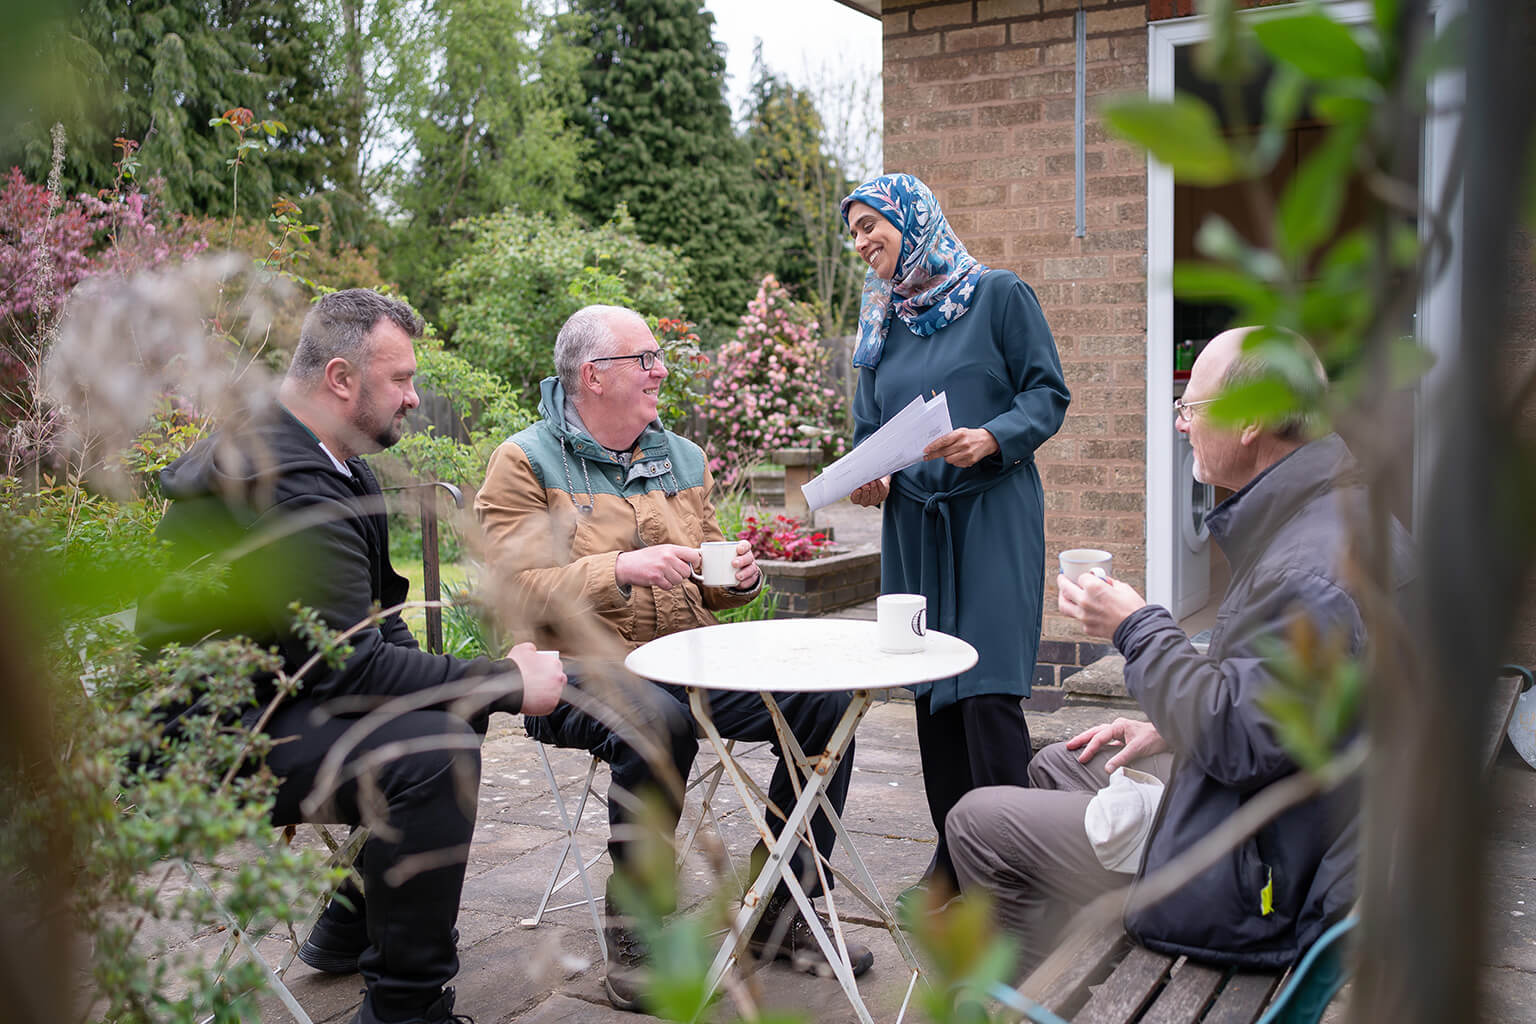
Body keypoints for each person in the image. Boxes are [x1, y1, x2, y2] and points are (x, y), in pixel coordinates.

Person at [136, 289, 567, 1024]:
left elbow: (376, 629)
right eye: (400, 379)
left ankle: (347, 928)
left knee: (444, 719)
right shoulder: (284, 482)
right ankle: (406, 1010)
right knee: (432, 752)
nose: (413, 397)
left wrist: (464, 691)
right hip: (200, 735)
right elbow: (355, 668)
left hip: (278, 694)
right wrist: (506, 681)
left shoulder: (333, 464)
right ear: (341, 378)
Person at [945, 327, 1414, 975]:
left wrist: (1137, 625)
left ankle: (1045, 997)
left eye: (1190, 409)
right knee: (1060, 760)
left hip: (1260, 875)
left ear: (1249, 421)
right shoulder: (1334, 515)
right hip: (1286, 819)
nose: (1181, 426)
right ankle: (1076, 947)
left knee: (975, 821)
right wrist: (1166, 729)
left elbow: (1240, 744)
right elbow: (1280, 714)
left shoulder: (1308, 570)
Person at [474, 304, 872, 1011]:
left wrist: (738, 580)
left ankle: (784, 906)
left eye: (659, 358)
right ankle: (636, 927)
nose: (661, 371)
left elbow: (709, 587)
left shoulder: (682, 456)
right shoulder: (525, 460)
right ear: (593, 376)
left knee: (825, 700)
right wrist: (620, 567)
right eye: (646, 359)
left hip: (686, 664)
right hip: (572, 673)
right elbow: (513, 592)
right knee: (655, 718)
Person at [841, 173, 1071, 903]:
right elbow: (865, 432)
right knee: (934, 696)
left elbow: (1047, 393)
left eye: (871, 223)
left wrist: (994, 436)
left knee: (988, 695)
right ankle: (954, 865)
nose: (862, 240)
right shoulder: (881, 320)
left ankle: (1016, 876)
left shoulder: (999, 295)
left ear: (914, 218)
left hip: (991, 513)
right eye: (852, 232)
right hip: (914, 525)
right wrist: (867, 476)